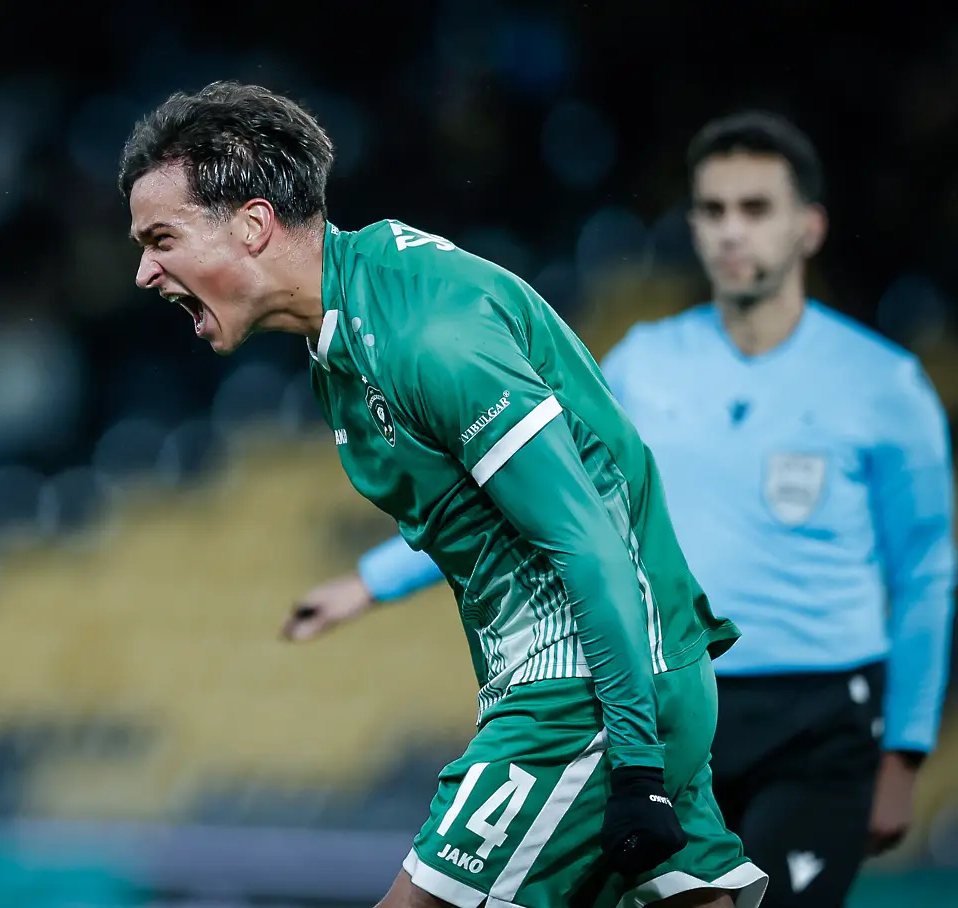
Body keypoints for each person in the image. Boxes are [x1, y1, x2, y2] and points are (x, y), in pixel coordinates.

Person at [120, 82, 768, 908]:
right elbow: (475, 514)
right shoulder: (348, 335)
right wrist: (372, 582)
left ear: (252, 225)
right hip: (624, 680)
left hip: (585, 695)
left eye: (161, 238)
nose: (143, 272)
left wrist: (636, 759)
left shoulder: (432, 332)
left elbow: (590, 540)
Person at [289, 111, 957, 906]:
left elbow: (926, 572)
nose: (730, 231)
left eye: (755, 209)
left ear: (809, 227)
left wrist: (905, 754)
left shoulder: (884, 386)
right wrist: (372, 581)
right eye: (712, 210)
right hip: (670, 687)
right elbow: (534, 492)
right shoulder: (645, 361)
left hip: (818, 714)